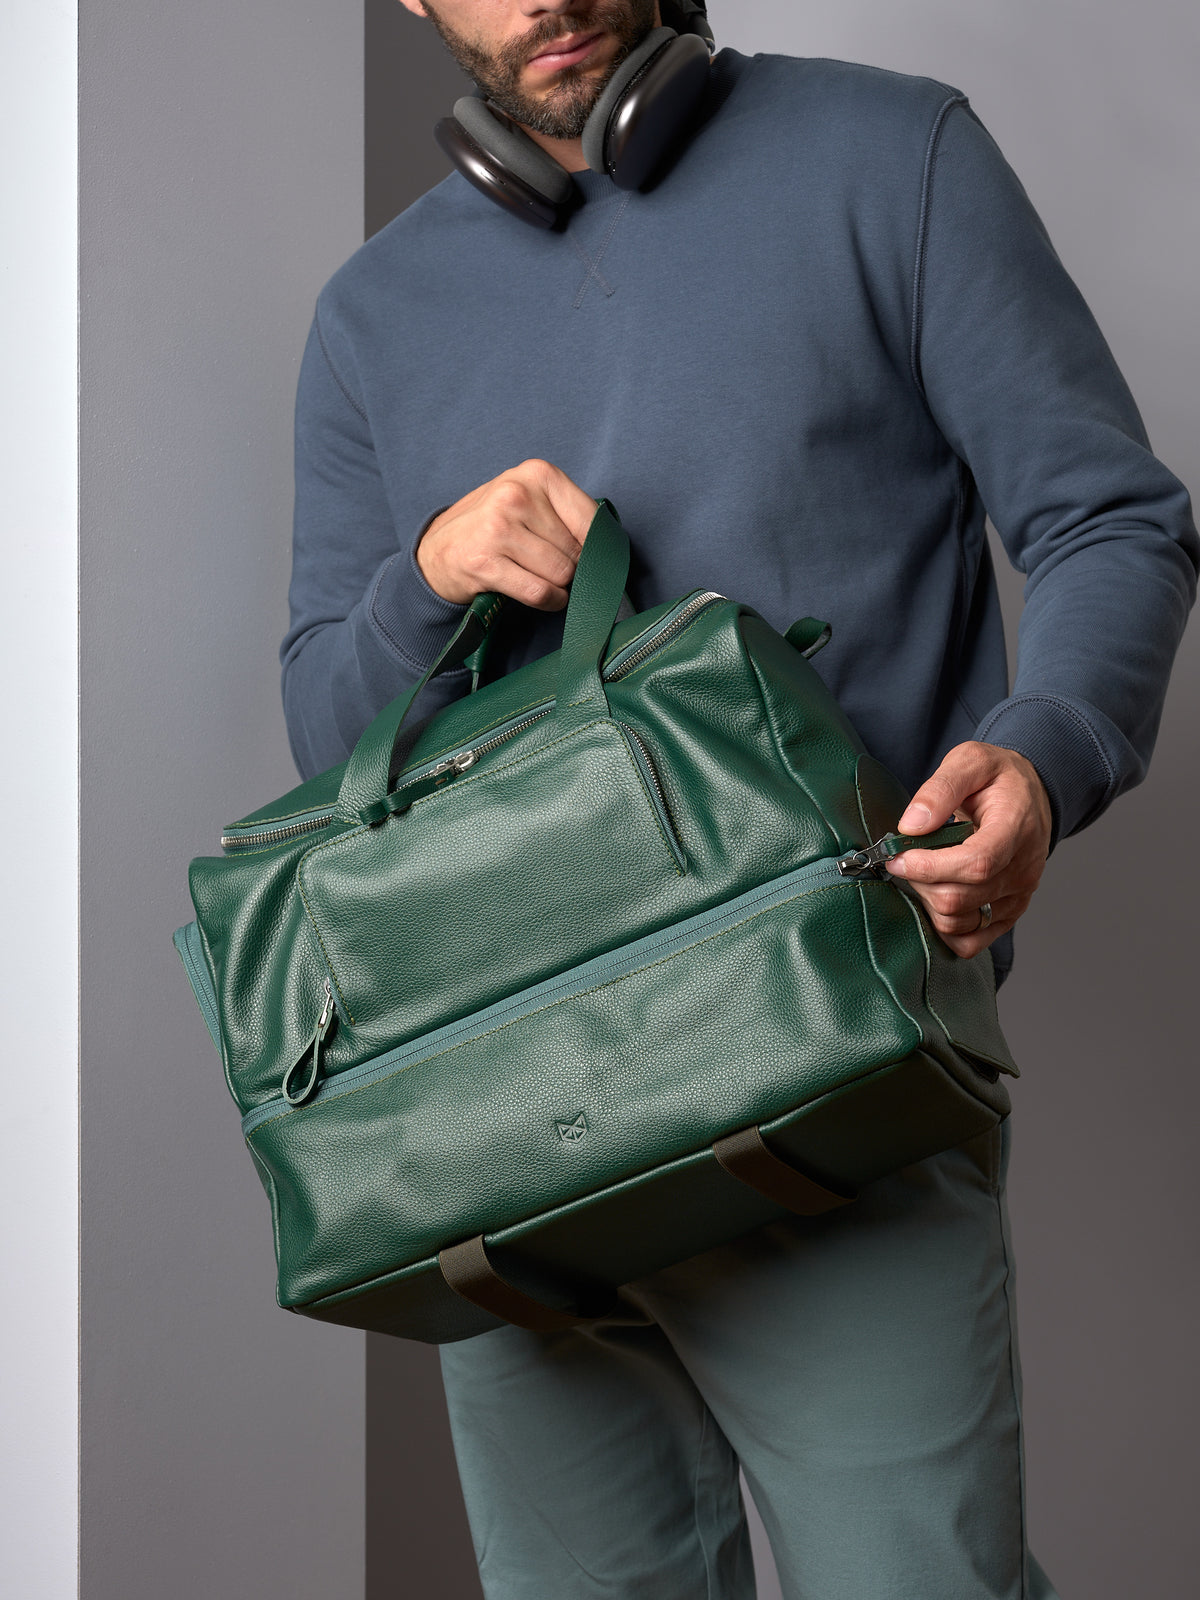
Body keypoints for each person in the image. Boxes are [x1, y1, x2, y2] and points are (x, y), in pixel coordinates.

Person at [280, 3, 1197, 1595]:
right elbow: (327, 739)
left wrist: (1046, 756)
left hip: (841, 1070)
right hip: (504, 1138)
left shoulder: (892, 155)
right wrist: (424, 578)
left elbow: (1112, 518)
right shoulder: (372, 316)